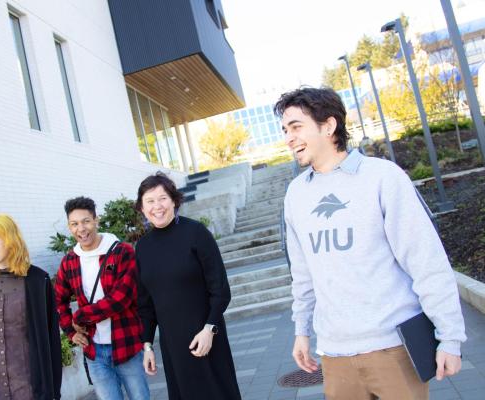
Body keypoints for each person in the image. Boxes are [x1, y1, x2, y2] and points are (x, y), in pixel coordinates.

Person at [276, 87, 466, 399]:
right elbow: (302, 273)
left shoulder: (381, 177)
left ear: (328, 125)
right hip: (335, 355)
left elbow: (425, 260)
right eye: (285, 130)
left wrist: (450, 337)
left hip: (393, 348)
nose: (288, 138)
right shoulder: (296, 195)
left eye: (296, 127)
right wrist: (301, 330)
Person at [135, 172, 242, 400]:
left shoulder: (196, 233)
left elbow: (220, 289)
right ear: (142, 209)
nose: (157, 206)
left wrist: (209, 329)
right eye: (150, 201)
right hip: (173, 347)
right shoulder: (142, 248)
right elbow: (145, 304)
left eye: (162, 198)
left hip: (207, 338)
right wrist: (147, 346)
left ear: (174, 200)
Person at [54, 196, 149, 400]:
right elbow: (59, 299)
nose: (81, 228)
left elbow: (120, 299)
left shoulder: (121, 252)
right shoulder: (70, 261)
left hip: (126, 344)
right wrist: (70, 331)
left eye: (86, 221)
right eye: (74, 224)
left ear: (96, 220)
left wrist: (80, 316)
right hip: (94, 351)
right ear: (69, 227)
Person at [0, 214, 62, 400]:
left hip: (28, 386)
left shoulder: (38, 281)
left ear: (10, 241)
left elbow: (51, 337)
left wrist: (53, 390)